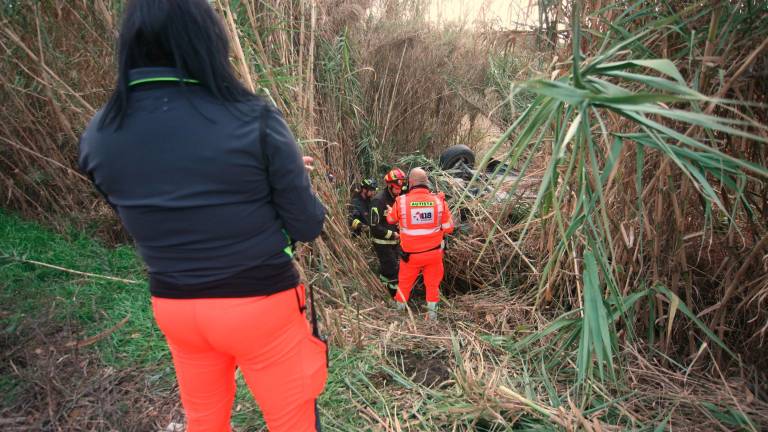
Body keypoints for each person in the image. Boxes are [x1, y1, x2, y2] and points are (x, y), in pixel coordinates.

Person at [77, 1, 327, 430]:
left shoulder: (99, 134)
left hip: (176, 308)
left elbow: (145, 206)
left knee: (204, 420)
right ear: (207, 41)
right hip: (258, 307)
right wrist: (277, 179)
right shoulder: (253, 118)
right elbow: (307, 223)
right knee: (292, 421)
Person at [386, 168, 454, 320]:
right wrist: (436, 227)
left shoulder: (401, 201)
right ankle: (432, 317)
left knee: (404, 284)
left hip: (411, 257)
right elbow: (449, 227)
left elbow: (390, 220)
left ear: (410, 183)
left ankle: (399, 314)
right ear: (426, 182)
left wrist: (392, 211)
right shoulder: (439, 201)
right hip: (434, 255)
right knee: (432, 286)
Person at [370, 168, 406, 299]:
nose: (399, 191)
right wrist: (392, 234)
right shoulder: (378, 201)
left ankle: (382, 287)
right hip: (382, 243)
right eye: (396, 188)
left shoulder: (398, 199)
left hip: (395, 243)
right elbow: (374, 227)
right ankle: (393, 298)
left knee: (390, 269)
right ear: (389, 185)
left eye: (400, 188)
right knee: (393, 272)